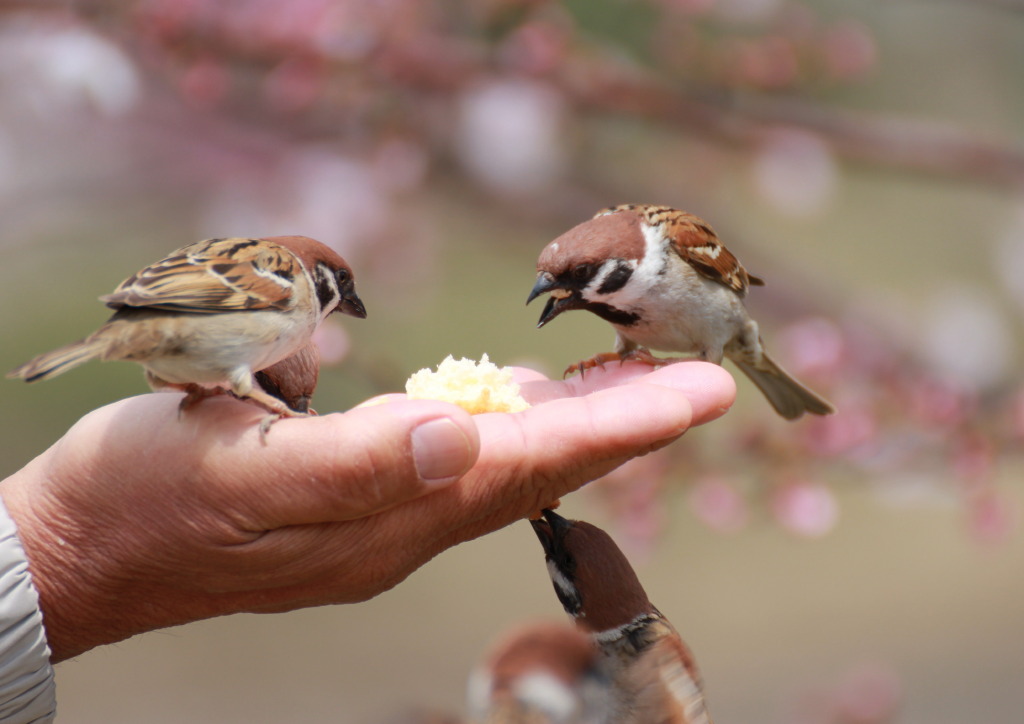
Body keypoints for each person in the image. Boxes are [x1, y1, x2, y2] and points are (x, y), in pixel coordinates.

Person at [0, 360, 735, 722]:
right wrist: (54, 553)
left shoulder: (621, 675)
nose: (546, 528)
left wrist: (58, 556)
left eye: (556, 549)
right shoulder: (625, 656)